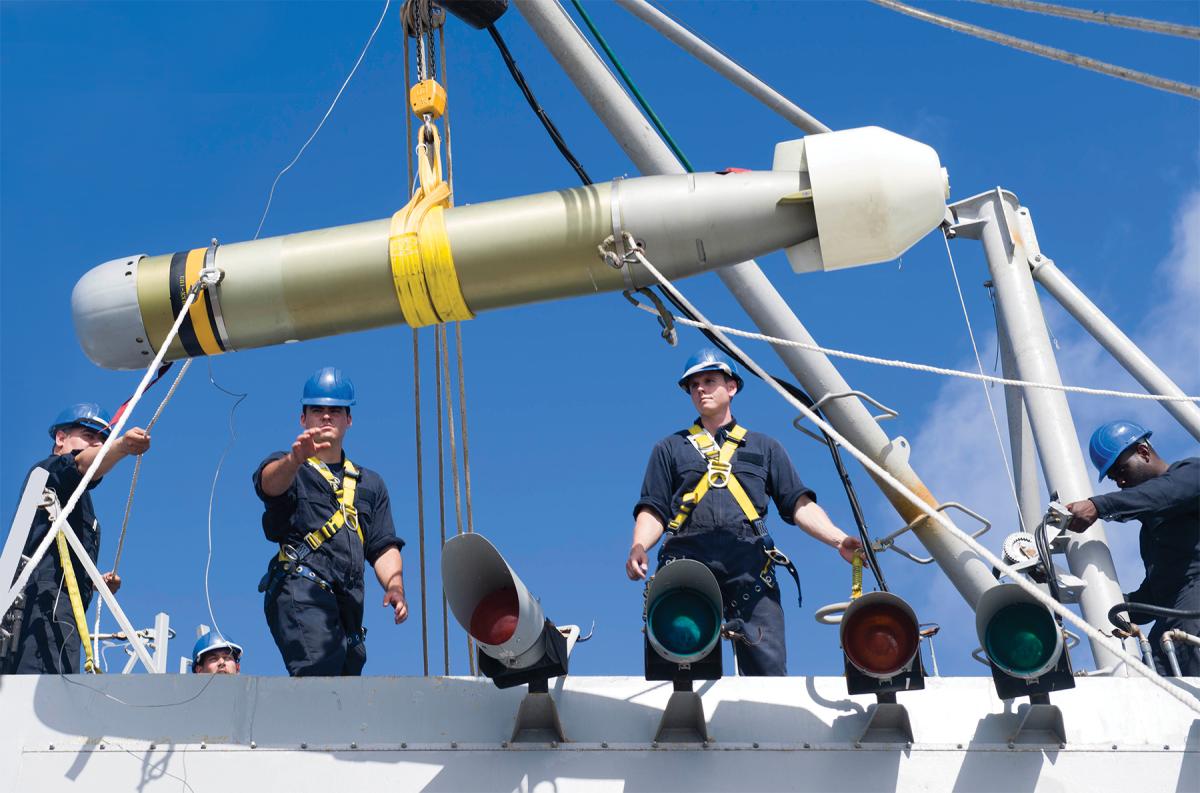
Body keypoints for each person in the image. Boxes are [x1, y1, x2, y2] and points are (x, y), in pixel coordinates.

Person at [626, 349, 863, 675]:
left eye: (709, 381)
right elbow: (654, 508)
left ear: (732, 387)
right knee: (680, 674)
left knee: (768, 675)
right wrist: (639, 546)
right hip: (687, 562)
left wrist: (838, 540)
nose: (700, 389)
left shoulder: (764, 448)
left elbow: (798, 504)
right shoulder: (670, 449)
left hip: (750, 566)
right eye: (693, 385)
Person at [254, 367, 408, 676]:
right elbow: (268, 485)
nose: (326, 416)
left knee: (346, 684)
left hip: (347, 608)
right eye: (317, 410)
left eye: (335, 410)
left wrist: (395, 586)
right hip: (302, 589)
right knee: (319, 673)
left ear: (348, 419)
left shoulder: (369, 483)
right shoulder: (290, 466)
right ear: (303, 419)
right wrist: (294, 460)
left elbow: (382, 546)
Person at [4, 403, 151, 674]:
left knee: (57, 696)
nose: (96, 444)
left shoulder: (83, 506)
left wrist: (95, 582)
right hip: (41, 608)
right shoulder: (49, 471)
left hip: (66, 614)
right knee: (41, 692)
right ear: (61, 438)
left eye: (101, 439)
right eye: (88, 435)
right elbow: (80, 464)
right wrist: (120, 446)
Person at [1065, 420, 1199, 676]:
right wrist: (1110, 604)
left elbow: (1163, 494)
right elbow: (1157, 595)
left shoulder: (1191, 473)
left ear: (1144, 452)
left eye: (1121, 470)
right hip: (1172, 628)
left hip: (1193, 616)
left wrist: (1098, 506)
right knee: (1152, 690)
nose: (1120, 482)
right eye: (1114, 478)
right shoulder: (1150, 534)